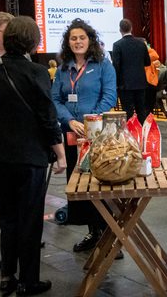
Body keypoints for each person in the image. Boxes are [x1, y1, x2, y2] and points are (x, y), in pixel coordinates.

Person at [0, 16, 66, 296]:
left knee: (7, 218)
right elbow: (47, 117)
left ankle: (7, 276)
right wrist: (60, 154)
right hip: (29, 156)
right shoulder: (38, 72)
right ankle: (28, 280)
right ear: (33, 43)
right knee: (30, 220)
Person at [51, 18, 117, 253]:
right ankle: (94, 232)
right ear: (68, 42)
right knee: (81, 186)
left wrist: (90, 123)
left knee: (101, 185)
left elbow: (109, 97)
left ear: (90, 40)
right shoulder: (62, 68)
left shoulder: (103, 65)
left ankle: (112, 236)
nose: (78, 42)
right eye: (73, 38)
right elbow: (55, 99)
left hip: (97, 136)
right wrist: (69, 120)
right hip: (71, 136)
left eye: (82, 37)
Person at [111, 18, 150, 120]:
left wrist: (117, 83)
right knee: (141, 110)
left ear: (120, 30)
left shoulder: (117, 45)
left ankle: (130, 134)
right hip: (141, 83)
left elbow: (116, 66)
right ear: (131, 29)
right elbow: (148, 62)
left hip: (125, 85)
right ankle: (142, 134)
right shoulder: (141, 43)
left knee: (127, 112)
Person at [144, 41, 161, 119]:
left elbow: (155, 55)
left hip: (150, 82)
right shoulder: (141, 56)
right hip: (144, 82)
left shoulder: (149, 56)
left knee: (149, 107)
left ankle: (149, 123)